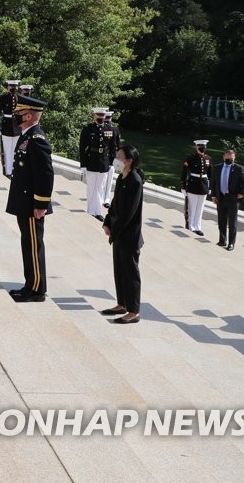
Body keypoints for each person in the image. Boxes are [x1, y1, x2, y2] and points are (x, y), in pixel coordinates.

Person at [5, 95, 54, 302]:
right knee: (28, 244)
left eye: (18, 114)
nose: (15, 117)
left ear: (27, 116)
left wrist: (41, 204)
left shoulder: (36, 140)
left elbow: (45, 175)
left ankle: (36, 290)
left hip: (33, 204)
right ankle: (30, 284)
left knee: (33, 245)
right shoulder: (27, 136)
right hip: (24, 202)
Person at [100, 145, 145, 324]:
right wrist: (107, 222)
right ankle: (122, 303)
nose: (116, 158)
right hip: (118, 232)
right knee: (119, 270)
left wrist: (115, 230)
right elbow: (115, 203)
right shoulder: (121, 177)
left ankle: (134, 311)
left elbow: (129, 213)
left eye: (119, 156)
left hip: (129, 235)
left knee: (130, 273)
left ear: (129, 160)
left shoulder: (135, 180)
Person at [212, 148, 244, 251]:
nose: (229, 159)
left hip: (232, 199)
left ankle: (231, 243)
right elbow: (214, 182)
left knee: (232, 223)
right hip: (220, 198)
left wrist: (242, 194)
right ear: (224, 157)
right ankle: (222, 240)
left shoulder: (238, 169)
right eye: (227, 157)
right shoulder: (217, 168)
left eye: (231, 158)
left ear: (234, 158)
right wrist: (213, 196)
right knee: (221, 220)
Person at [79, 107, 111, 220]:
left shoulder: (109, 128)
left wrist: (111, 163)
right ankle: (91, 210)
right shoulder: (88, 129)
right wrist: (83, 165)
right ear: (94, 116)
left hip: (104, 162)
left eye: (102, 116)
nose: (100, 118)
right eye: (98, 116)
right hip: (91, 161)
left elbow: (112, 147)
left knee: (100, 188)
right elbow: (82, 148)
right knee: (91, 188)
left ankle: (97, 211)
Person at [181, 139, 212, 236]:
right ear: (196, 147)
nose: (202, 148)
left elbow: (210, 174)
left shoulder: (208, 158)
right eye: (200, 146)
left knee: (200, 208)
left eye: (203, 146)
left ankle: (198, 227)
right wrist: (183, 186)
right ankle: (191, 226)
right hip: (193, 185)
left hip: (203, 185)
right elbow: (184, 172)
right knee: (192, 207)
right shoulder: (191, 158)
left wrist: (210, 187)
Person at [0, 79, 20, 176]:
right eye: (11, 86)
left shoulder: (20, 98)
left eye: (15, 86)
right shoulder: (3, 97)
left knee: (16, 151)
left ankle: (14, 170)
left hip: (17, 128)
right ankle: (8, 171)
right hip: (7, 127)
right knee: (7, 151)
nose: (13, 88)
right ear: (8, 86)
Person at [101, 110, 120, 207]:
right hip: (111, 159)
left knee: (102, 180)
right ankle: (106, 200)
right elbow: (116, 146)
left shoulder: (101, 127)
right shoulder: (115, 129)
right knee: (109, 181)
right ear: (111, 118)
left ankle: (100, 198)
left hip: (102, 158)